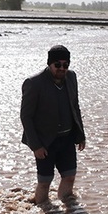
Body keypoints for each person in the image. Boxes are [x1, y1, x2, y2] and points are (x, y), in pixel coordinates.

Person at [20, 45, 86, 204]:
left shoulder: (71, 78)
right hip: (45, 142)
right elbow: (26, 116)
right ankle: (43, 210)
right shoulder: (34, 83)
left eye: (65, 65)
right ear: (49, 64)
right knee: (45, 182)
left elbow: (75, 106)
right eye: (58, 65)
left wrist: (81, 135)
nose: (62, 68)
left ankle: (67, 213)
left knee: (69, 177)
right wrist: (36, 146)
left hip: (67, 139)